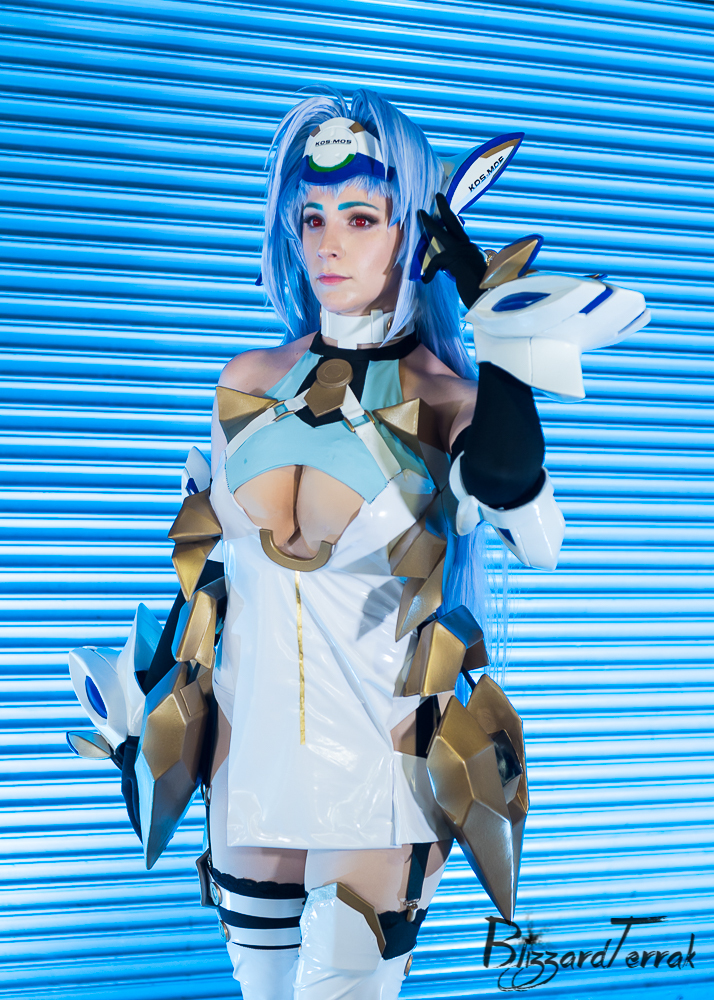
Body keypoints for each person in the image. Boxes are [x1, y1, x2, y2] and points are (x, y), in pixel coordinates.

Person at [68, 88, 648, 1000]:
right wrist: (151, 713)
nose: (328, 244)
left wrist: (492, 316)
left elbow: (532, 528)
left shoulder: (451, 400)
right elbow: (210, 573)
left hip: (381, 780)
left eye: (362, 217)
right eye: (313, 217)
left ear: (414, 232)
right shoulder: (247, 381)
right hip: (246, 772)